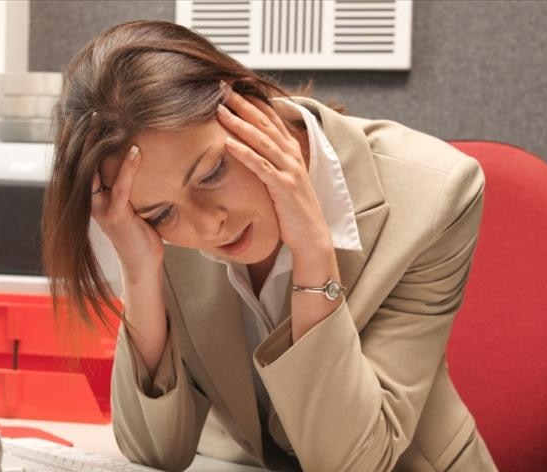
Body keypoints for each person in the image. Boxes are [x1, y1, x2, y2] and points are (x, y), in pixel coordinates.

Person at [43, 20, 497, 472]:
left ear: (252, 103)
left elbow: (352, 463)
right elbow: (154, 452)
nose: (209, 225)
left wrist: (314, 256)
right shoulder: (161, 232)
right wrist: (141, 271)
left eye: (211, 173)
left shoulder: (436, 193)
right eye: (161, 213)